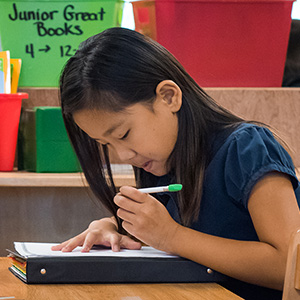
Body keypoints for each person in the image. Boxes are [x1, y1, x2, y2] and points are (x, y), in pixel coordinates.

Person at [52, 27, 300, 299]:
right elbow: (181, 229)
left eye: (123, 134)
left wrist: (172, 237)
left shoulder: (246, 148)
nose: (123, 155)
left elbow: (289, 264)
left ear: (169, 97)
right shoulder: (164, 162)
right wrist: (112, 226)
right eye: (106, 144)